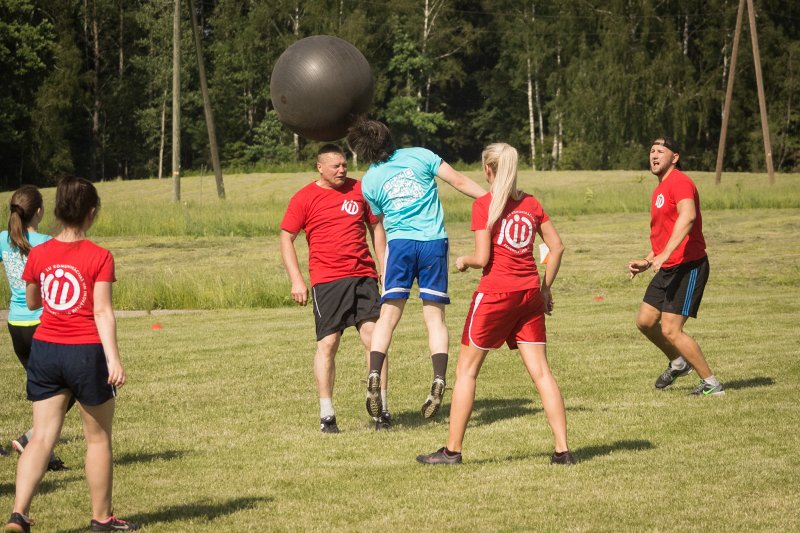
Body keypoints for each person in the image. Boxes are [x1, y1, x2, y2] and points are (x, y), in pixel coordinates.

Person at [416, 143, 574, 465]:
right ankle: (562, 450)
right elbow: (556, 248)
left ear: (488, 170)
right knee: (542, 373)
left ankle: (452, 451)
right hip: (529, 294)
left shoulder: (485, 205)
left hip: (494, 296)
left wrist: (463, 260)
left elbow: (483, 258)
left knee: (466, 372)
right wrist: (545, 290)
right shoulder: (531, 203)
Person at [5, 176, 139, 532]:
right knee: (97, 438)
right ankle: (101, 519)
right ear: (91, 213)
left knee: (43, 436)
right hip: (85, 354)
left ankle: (19, 514)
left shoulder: (40, 253)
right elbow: (102, 312)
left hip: (46, 352)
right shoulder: (100, 257)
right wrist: (113, 358)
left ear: (59, 210)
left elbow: (33, 300)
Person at [346, 119, 485, 421]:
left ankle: (373, 372)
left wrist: (383, 262)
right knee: (434, 317)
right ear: (390, 138)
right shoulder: (421, 155)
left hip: (400, 247)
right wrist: (490, 198)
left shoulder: (369, 182)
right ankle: (438, 378)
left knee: (388, 316)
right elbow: (459, 181)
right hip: (433, 243)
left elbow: (379, 224)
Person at [280, 144, 389, 432]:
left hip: (364, 276)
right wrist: (296, 279)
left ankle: (381, 409)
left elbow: (377, 228)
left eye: (344, 165)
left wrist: (384, 266)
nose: (342, 170)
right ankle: (327, 415)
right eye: (335, 166)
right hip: (327, 281)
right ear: (319, 167)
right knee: (328, 344)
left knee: (375, 340)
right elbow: (285, 238)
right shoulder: (304, 198)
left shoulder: (361, 190)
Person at [628, 137, 723, 396]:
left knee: (671, 329)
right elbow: (665, 235)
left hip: (688, 265)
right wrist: (648, 260)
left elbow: (688, 216)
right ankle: (679, 363)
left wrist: (665, 254)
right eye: (651, 151)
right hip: (667, 265)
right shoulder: (659, 189)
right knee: (645, 322)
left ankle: (711, 385)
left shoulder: (680, 182)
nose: (654, 155)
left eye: (661, 151)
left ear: (675, 157)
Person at [1, 185, 71, 471]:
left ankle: (45, 452)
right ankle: (32, 438)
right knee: (69, 387)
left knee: (47, 391)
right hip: (42, 324)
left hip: (16, 326)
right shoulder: (46, 242)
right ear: (39, 211)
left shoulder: (4, 239)